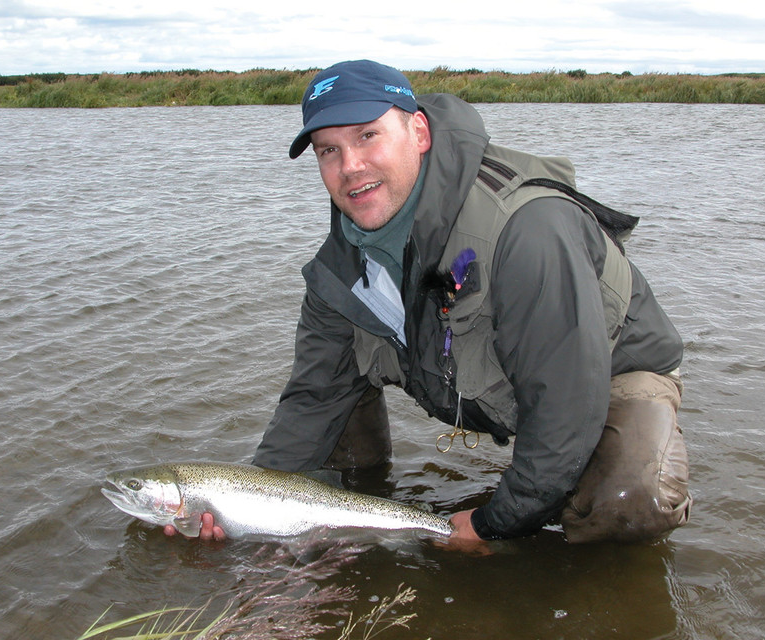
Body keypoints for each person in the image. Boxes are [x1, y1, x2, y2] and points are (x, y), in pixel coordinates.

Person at [169, 59, 691, 545]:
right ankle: (352, 529)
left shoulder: (528, 229)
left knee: (628, 500)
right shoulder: (338, 271)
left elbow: (566, 403)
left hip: (606, 378)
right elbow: (312, 399)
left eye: (367, 136)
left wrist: (494, 523)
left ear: (418, 132)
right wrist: (250, 505)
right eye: (328, 150)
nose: (350, 165)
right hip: (484, 384)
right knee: (327, 424)